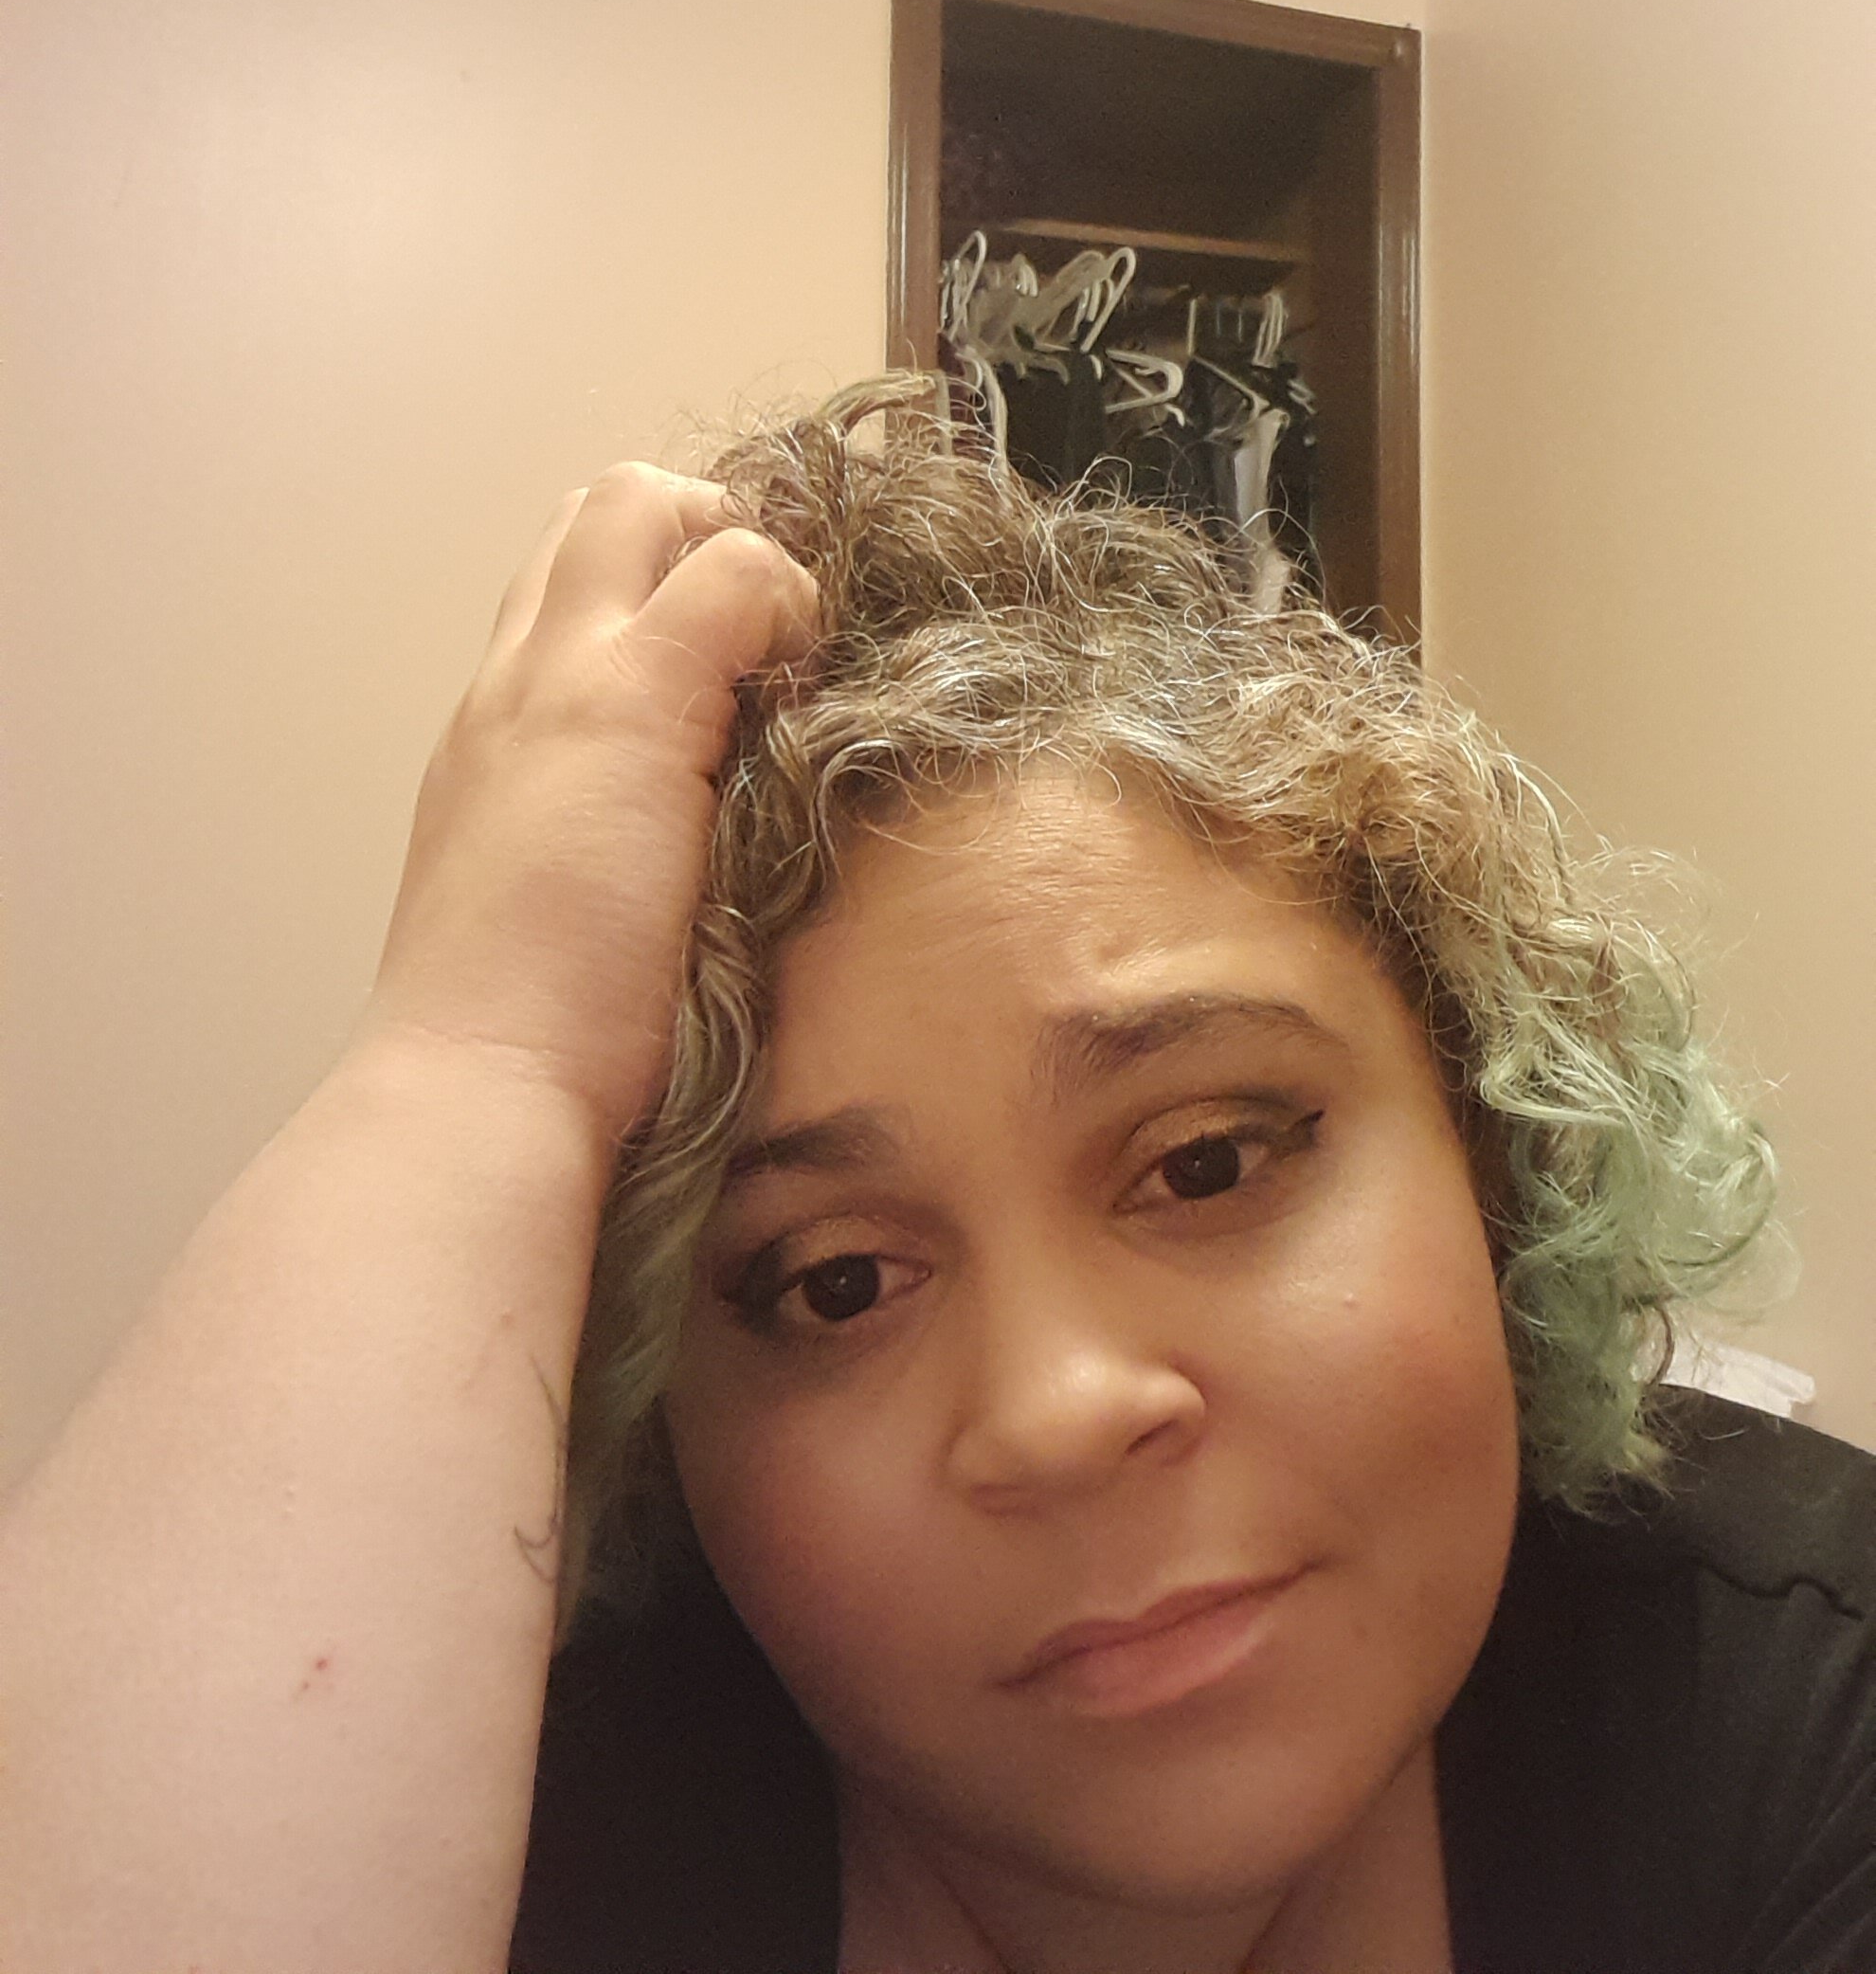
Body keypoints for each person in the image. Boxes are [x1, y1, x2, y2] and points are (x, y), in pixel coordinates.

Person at [1, 377, 1870, 1974]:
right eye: (834, 1283)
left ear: (1495, 1154)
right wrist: (470, 1059)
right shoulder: (534, 1817)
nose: (1060, 1413)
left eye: (1207, 1160)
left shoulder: (1801, 1698)